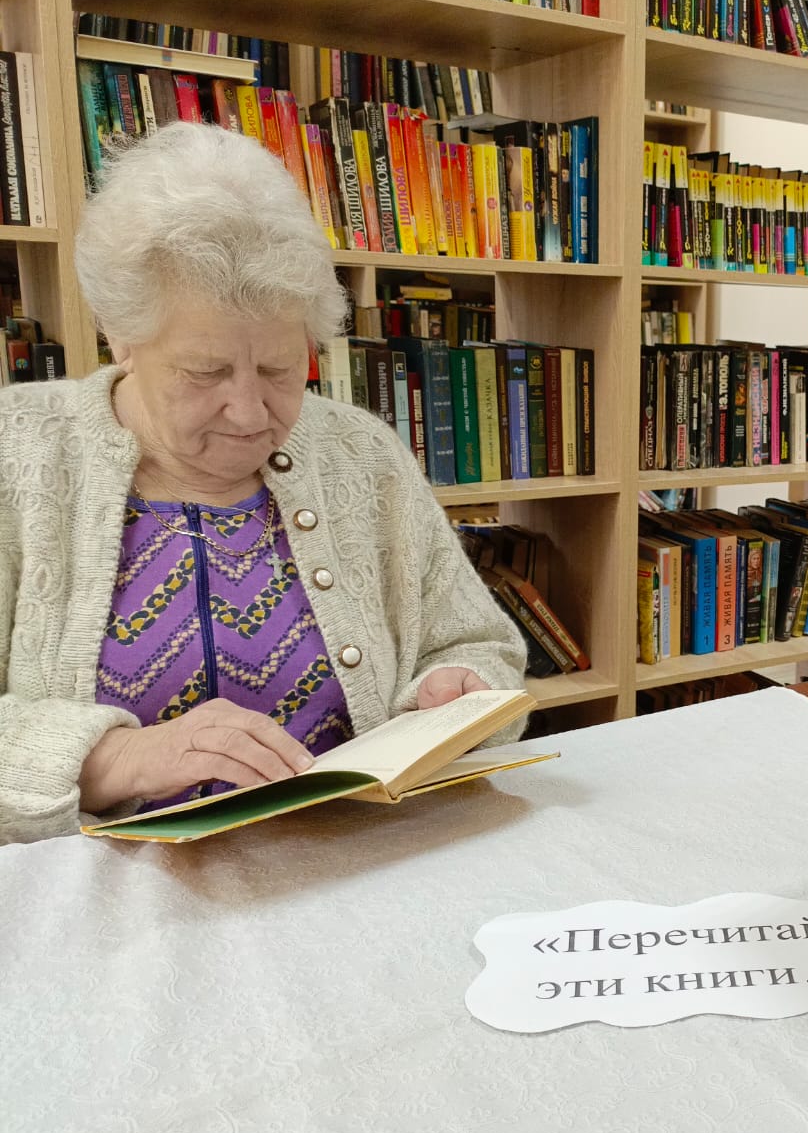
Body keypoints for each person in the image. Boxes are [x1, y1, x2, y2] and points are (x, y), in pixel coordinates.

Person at [0, 123, 526, 845]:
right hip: (108, 893)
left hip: (353, 860)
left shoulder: (361, 454)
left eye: (281, 369)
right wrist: (115, 759)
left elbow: (478, 644)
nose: (250, 413)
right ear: (120, 335)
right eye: (205, 372)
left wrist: (458, 688)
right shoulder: (18, 452)